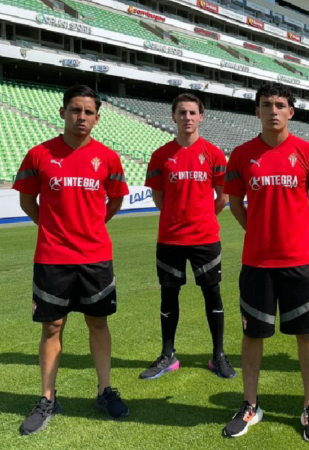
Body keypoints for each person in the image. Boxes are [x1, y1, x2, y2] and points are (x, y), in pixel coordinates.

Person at [14, 85, 130, 435]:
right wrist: (52, 228)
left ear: (97, 117)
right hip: (52, 257)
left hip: (95, 256)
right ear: (63, 112)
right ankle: (48, 397)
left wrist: (90, 227)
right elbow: (27, 202)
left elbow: (114, 202)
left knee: (98, 323)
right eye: (76, 110)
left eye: (89, 112)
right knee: (52, 327)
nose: (82, 117)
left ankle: (104, 390)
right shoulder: (39, 155)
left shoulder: (108, 158)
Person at [222, 82, 309, 443]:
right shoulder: (241, 155)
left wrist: (294, 229)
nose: (273, 110)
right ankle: (250, 404)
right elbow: (236, 204)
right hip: (256, 262)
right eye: (266, 104)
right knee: (253, 334)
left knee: (305, 333)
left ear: (291, 112)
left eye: (280, 104)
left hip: (298, 261)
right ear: (257, 111)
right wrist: (259, 233)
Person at [139, 93, 235, 380]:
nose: (187, 118)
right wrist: (177, 220)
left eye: (193, 113)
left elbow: (223, 197)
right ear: (173, 117)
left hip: (205, 238)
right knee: (168, 296)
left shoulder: (215, 154)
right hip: (170, 239)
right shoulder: (160, 156)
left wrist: (202, 219)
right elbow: (159, 198)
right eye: (182, 112)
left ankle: (218, 355)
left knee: (212, 294)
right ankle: (168, 355)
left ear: (201, 117)